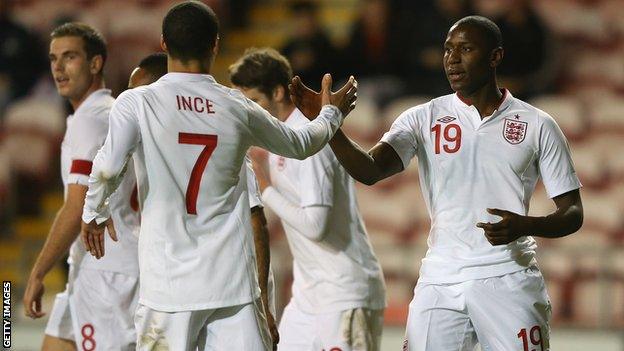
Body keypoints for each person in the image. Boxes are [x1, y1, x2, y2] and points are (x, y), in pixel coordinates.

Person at [290, 15, 583, 351]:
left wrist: (525, 225)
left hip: (508, 276)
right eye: (447, 50)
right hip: (440, 279)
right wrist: (327, 125)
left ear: (495, 56)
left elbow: (573, 211)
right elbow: (369, 170)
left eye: (466, 49)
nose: (452, 59)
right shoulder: (422, 117)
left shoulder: (537, 124)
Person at [79, 2, 356, 350]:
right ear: (215, 45)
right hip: (231, 286)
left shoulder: (137, 103)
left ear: (164, 44)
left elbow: (106, 168)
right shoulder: (236, 106)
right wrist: (332, 114)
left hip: (168, 288)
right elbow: (301, 143)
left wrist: (93, 213)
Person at [229, 47, 386, 351]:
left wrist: (266, 188)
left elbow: (316, 226)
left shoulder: (309, 141)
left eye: (254, 102)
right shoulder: (282, 140)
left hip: (344, 293)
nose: (248, 112)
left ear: (277, 92)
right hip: (308, 296)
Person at [129, 52, 280, 349]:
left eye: (138, 92)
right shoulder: (144, 145)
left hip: (204, 290)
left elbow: (256, 221)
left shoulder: (224, 139)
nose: (132, 101)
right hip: (193, 286)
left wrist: (262, 299)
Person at [22, 22, 140, 350]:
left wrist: (37, 273)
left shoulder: (91, 121)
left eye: (70, 57)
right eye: (53, 58)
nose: (58, 67)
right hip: (91, 266)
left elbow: (77, 206)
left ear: (95, 63)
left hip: (107, 271)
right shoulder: (108, 112)